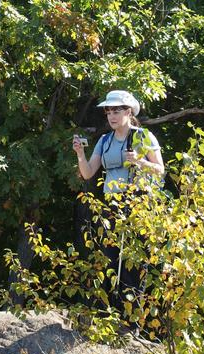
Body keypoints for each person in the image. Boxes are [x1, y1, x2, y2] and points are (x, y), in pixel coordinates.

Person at [72, 90, 164, 326]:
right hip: (111, 205)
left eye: (116, 111)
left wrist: (139, 162)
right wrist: (80, 154)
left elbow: (160, 170)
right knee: (110, 259)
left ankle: (132, 322)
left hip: (137, 203)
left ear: (129, 112)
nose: (111, 116)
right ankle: (109, 316)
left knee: (133, 262)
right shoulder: (105, 141)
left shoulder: (143, 136)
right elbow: (88, 173)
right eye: (108, 111)